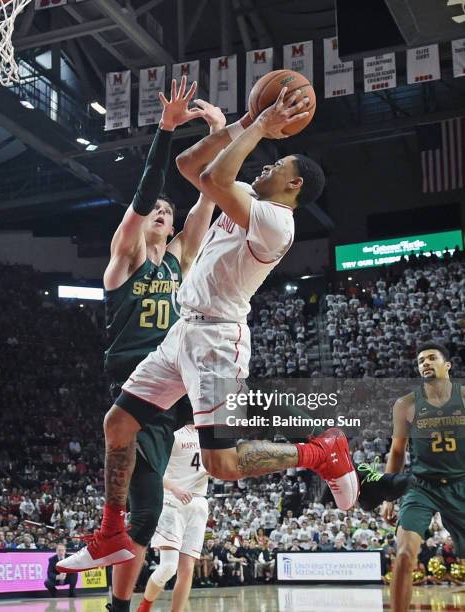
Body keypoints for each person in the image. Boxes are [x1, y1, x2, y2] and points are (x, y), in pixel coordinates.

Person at [58, 87, 360, 575]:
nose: (265, 166)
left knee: (222, 464)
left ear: (295, 184)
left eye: (276, 165)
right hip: (182, 334)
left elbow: (217, 175)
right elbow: (190, 167)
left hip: (218, 341)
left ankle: (320, 451)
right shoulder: (245, 196)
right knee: (118, 423)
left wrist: (260, 128)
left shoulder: (275, 223)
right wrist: (243, 121)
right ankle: (113, 531)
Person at [84, 77, 224, 612]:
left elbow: (208, 197)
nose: (161, 215)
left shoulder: (182, 260)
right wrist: (166, 133)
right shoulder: (125, 259)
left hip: (172, 389)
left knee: (149, 511)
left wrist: (217, 131)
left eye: (168, 213)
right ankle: (119, 600)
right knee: (142, 508)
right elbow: (144, 197)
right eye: (155, 213)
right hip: (133, 383)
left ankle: (120, 604)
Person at [382, 342, 465, 612]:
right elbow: (396, 453)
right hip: (422, 486)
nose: (425, 363)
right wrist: (389, 497)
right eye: (421, 361)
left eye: (431, 358)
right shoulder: (406, 404)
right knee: (405, 554)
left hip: (461, 482)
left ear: (448, 365)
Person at [137, 423, 209, 612]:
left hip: (199, 503)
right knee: (169, 567)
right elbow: (152, 470)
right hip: (172, 502)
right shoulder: (174, 433)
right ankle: (145, 606)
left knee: (187, 569)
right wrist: (174, 489)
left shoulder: (209, 434)